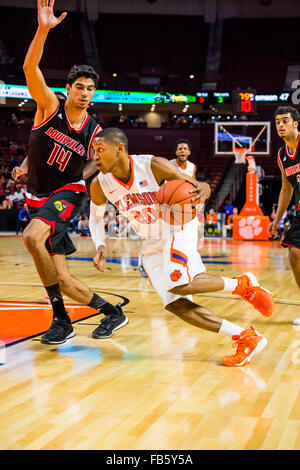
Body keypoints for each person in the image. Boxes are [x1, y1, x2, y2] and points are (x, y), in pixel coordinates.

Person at [89, 127, 273, 366]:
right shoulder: (99, 184)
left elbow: (196, 186)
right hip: (150, 240)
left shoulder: (153, 165)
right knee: (175, 303)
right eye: (94, 151)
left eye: (100, 150)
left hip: (176, 225)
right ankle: (247, 337)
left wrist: (205, 189)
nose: (95, 156)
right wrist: (100, 244)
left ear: (120, 149)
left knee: (181, 283)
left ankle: (242, 284)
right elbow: (95, 217)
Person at [11, 0, 128, 345]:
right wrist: (43, 29)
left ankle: (61, 320)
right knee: (63, 280)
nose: (85, 93)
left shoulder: (95, 132)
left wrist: (87, 176)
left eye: (91, 89)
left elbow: (103, 163)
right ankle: (107, 313)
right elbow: (30, 68)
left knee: (32, 238)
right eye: (80, 86)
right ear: (68, 89)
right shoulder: (49, 106)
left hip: (66, 194)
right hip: (37, 197)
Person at [269, 106, 300, 325]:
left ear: (295, 124)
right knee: (294, 255)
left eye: (285, 121)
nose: (281, 125)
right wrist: (277, 219)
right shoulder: (282, 155)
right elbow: (286, 189)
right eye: (278, 121)